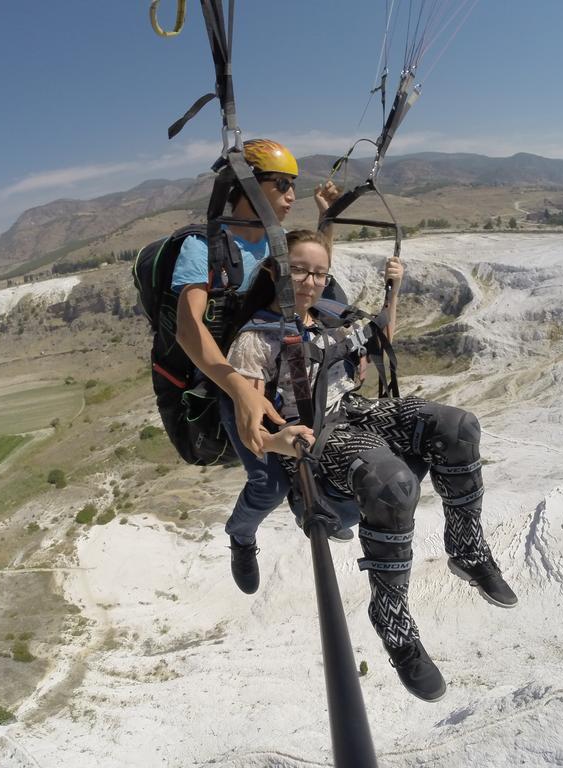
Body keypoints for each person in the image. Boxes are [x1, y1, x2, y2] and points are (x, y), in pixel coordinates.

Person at [223, 229, 518, 701]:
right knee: (394, 484)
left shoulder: (329, 317)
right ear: (277, 271)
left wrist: (392, 289)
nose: (311, 281)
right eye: (300, 269)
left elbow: (379, 337)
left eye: (319, 273)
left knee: (459, 427)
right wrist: (279, 440)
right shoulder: (257, 340)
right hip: (317, 436)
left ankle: (467, 549)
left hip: (356, 411)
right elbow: (251, 426)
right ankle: (394, 623)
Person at [171, 139, 345, 594]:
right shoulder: (205, 247)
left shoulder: (274, 243)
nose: (290, 196)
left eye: (293, 187)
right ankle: (241, 535)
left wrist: (324, 217)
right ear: (246, 184)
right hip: (234, 376)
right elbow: (189, 331)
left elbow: (309, 272)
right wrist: (243, 392)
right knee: (267, 484)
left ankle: (314, 504)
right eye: (281, 185)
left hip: (281, 365)